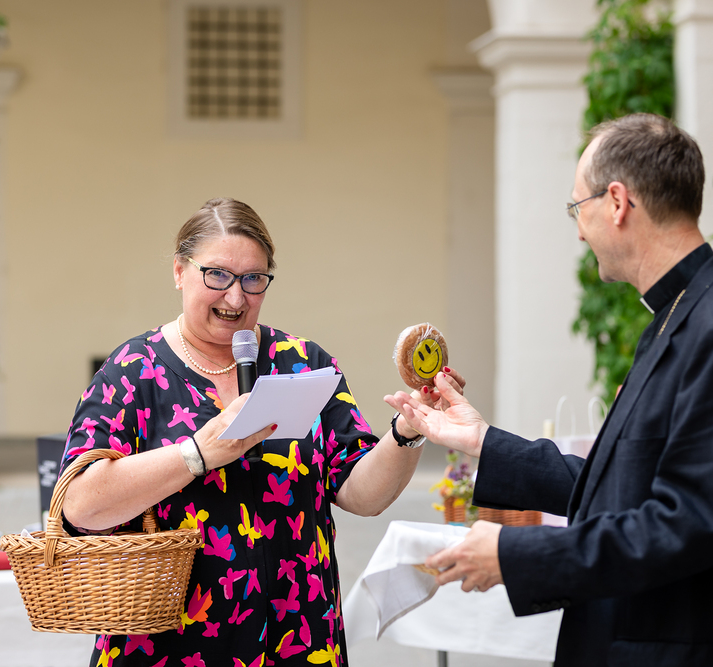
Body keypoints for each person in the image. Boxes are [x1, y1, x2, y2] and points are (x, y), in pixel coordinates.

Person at [60, 197, 465, 666]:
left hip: (298, 638)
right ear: (179, 271)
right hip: (169, 646)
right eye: (217, 275)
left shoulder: (304, 363)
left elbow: (362, 495)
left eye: (253, 279)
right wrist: (196, 454)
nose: (236, 298)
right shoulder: (133, 371)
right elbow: (80, 506)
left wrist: (407, 430)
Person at [386, 113, 713, 666]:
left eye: (576, 207)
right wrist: (482, 440)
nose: (579, 230)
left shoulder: (704, 322)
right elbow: (617, 490)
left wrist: (517, 554)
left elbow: (689, 522)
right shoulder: (675, 314)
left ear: (617, 202)